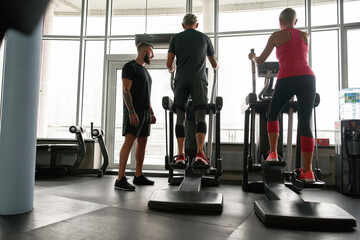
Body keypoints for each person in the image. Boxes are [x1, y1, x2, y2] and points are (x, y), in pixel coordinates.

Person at [248, 8, 316, 183]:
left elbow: (261, 60)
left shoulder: (276, 35)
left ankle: (273, 153)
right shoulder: (304, 35)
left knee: (273, 112)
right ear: (296, 21)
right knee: (305, 123)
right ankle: (308, 172)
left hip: (287, 77)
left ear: (280, 21)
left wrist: (254, 57)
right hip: (308, 78)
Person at [166, 13, 219, 168]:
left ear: (183, 26)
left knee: (180, 118)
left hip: (181, 80)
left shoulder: (175, 38)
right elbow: (214, 64)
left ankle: (181, 155)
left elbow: (169, 63)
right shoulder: (205, 38)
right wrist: (217, 66)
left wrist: (172, 69)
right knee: (200, 118)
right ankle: (200, 153)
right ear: (196, 25)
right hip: (199, 80)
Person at [114, 42, 157, 191]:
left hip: (145, 112)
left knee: (143, 142)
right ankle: (120, 178)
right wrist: (131, 111)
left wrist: (151, 112)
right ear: (143, 51)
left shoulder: (145, 71)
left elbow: (146, 94)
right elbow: (126, 90)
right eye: (151, 52)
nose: (152, 55)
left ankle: (138, 176)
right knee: (129, 141)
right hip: (134, 111)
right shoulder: (129, 67)